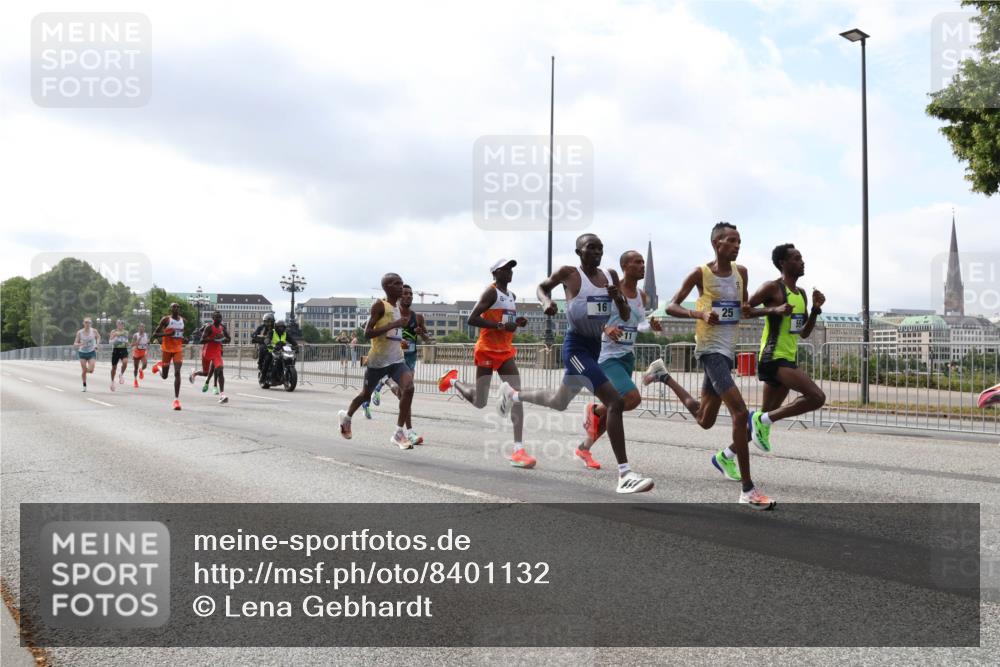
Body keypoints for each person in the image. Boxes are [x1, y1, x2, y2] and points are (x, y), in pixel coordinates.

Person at [495, 234, 654, 493]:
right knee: (614, 401)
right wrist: (546, 302)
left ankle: (512, 395)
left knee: (559, 402)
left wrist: (618, 298)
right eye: (591, 248)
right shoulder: (569, 274)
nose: (597, 252)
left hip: (595, 348)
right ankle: (625, 474)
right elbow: (543, 287)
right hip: (576, 347)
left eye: (600, 248)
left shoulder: (610, 276)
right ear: (579, 252)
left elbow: (624, 315)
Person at [644, 221, 774, 509]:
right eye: (732, 240)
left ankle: (663, 376)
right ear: (718, 244)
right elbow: (671, 306)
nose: (738, 245)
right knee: (741, 413)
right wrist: (700, 314)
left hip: (727, 351)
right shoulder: (700, 273)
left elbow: (745, 310)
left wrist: (774, 310)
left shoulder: (742, 273)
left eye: (739, 241)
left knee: (705, 420)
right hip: (709, 349)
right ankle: (748, 490)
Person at [439, 259, 535, 467]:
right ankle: (453, 380)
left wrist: (517, 323)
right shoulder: (490, 292)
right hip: (487, 350)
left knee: (517, 395)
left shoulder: (512, 296)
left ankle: (518, 449)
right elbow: (472, 319)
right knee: (480, 402)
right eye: (506, 268)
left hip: (505, 352)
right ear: (496, 272)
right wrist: (501, 325)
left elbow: (506, 322)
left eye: (512, 268)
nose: (510, 272)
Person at [576, 250, 663, 469]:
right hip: (607, 356)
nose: (642, 265)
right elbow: (592, 316)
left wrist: (650, 325)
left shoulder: (641, 296)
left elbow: (638, 324)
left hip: (626, 356)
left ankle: (584, 448)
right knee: (631, 398)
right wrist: (606, 327)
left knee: (614, 408)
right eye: (637, 262)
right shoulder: (611, 291)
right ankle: (595, 411)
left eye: (644, 262)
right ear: (625, 266)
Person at [743, 243, 826, 450]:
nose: (802, 262)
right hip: (773, 357)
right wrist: (774, 309)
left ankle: (725, 455)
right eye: (797, 258)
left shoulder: (802, 294)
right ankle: (762, 421)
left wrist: (815, 310)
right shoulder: (772, 287)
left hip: (788, 357)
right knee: (817, 397)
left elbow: (804, 333)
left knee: (764, 418)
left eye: (801, 258)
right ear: (783, 263)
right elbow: (745, 310)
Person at [338, 273, 420, 449]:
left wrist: (400, 340)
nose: (401, 287)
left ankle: (399, 432)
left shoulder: (397, 307)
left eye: (402, 283)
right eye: (397, 284)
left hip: (396, 360)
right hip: (378, 360)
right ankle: (347, 417)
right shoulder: (379, 305)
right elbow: (367, 333)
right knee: (365, 395)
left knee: (409, 388)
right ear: (387, 287)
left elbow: (392, 334)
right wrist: (394, 324)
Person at [363, 285, 431, 447]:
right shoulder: (392, 314)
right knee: (404, 394)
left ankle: (386, 381)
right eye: (405, 294)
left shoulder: (418, 317)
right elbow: (369, 328)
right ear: (400, 296)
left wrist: (422, 333)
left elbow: (428, 338)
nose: (409, 296)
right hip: (393, 359)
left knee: (405, 394)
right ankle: (409, 431)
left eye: (411, 294)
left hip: (410, 359)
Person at [150, 302, 187, 410]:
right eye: (174, 307)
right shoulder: (166, 320)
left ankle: (176, 400)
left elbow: (179, 334)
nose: (176, 308)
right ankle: (159, 367)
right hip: (166, 349)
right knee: (165, 376)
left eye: (177, 307)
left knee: (177, 372)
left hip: (177, 349)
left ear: (179, 309)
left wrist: (184, 338)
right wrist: (167, 334)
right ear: (170, 309)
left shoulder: (183, 321)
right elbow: (155, 334)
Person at [190, 310, 231, 403]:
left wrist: (223, 339)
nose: (218, 319)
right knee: (205, 373)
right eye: (216, 317)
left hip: (216, 352)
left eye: (220, 317)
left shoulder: (222, 328)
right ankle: (194, 373)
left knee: (220, 369)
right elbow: (201, 340)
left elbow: (229, 338)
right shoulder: (209, 327)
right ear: (213, 318)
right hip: (207, 352)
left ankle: (222, 395)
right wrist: (213, 338)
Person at [73, 317, 100, 391]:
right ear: (83, 323)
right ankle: (84, 385)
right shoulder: (79, 332)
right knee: (84, 370)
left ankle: (84, 372)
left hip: (91, 352)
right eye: (86, 322)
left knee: (91, 370)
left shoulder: (94, 331)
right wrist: (80, 344)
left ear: (91, 323)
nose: (87, 324)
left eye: (89, 322)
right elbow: (75, 343)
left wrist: (97, 345)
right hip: (82, 353)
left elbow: (98, 337)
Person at [107, 320, 130, 392]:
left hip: (123, 349)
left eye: (122, 324)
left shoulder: (126, 332)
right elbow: (110, 342)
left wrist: (126, 343)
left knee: (125, 362)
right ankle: (112, 381)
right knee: (114, 367)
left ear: (123, 326)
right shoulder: (113, 332)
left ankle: (121, 374)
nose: (121, 326)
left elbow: (127, 341)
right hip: (116, 350)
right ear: (117, 325)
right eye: (119, 324)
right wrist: (114, 337)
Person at [252, 313, 276, 377]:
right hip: (263, 343)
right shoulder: (261, 327)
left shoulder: (276, 328)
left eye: (270, 322)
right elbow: (254, 333)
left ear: (273, 321)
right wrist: (255, 336)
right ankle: (260, 364)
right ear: (264, 322)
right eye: (267, 322)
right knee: (262, 348)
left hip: (274, 345)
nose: (269, 324)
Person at [130, 323, 149, 388]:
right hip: (137, 352)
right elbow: (132, 344)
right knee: (135, 368)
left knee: (145, 364)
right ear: (138, 328)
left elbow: (147, 344)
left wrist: (147, 350)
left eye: (143, 327)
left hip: (143, 352)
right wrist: (138, 340)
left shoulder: (146, 335)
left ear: (144, 328)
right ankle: (135, 380)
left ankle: (141, 370)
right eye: (141, 327)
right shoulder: (136, 335)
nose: (142, 328)